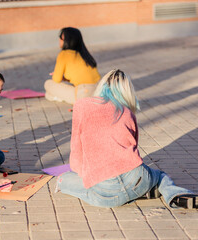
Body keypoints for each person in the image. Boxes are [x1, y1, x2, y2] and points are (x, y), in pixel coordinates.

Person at [55, 69, 197, 208]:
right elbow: (133, 147)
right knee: (159, 175)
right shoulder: (127, 112)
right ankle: (174, 194)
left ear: (101, 85)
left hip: (104, 192)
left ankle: (130, 194)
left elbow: (77, 151)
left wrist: (84, 174)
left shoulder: (82, 105)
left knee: (65, 179)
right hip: (138, 179)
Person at [44, 27, 101, 104]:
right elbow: (83, 76)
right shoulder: (85, 54)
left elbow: (56, 79)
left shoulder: (64, 54)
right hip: (98, 92)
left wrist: (59, 76)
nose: (59, 40)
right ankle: (57, 96)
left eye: (61, 37)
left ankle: (57, 97)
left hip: (83, 94)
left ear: (66, 40)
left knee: (48, 84)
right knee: (52, 92)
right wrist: (65, 78)